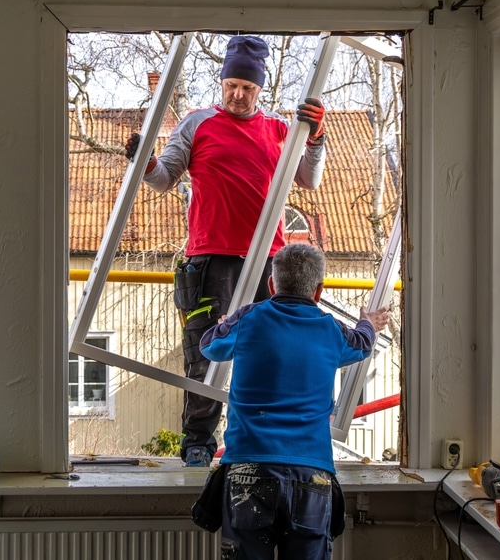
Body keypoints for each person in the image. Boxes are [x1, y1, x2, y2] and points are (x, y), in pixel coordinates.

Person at [124, 35, 329, 467]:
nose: (238, 95)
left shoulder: (278, 131)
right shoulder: (198, 124)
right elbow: (163, 179)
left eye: (247, 88)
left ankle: (265, 440)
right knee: (206, 349)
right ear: (222, 82)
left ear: (260, 88)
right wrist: (144, 163)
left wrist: (314, 138)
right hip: (211, 256)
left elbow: (309, 180)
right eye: (231, 85)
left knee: (272, 349)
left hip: (268, 261)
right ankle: (198, 439)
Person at [199, 243, 390, 559]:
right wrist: (368, 321)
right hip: (310, 474)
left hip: (249, 468)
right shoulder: (330, 329)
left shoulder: (249, 319)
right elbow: (362, 343)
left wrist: (225, 322)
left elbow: (209, 346)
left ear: (272, 284)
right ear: (318, 291)